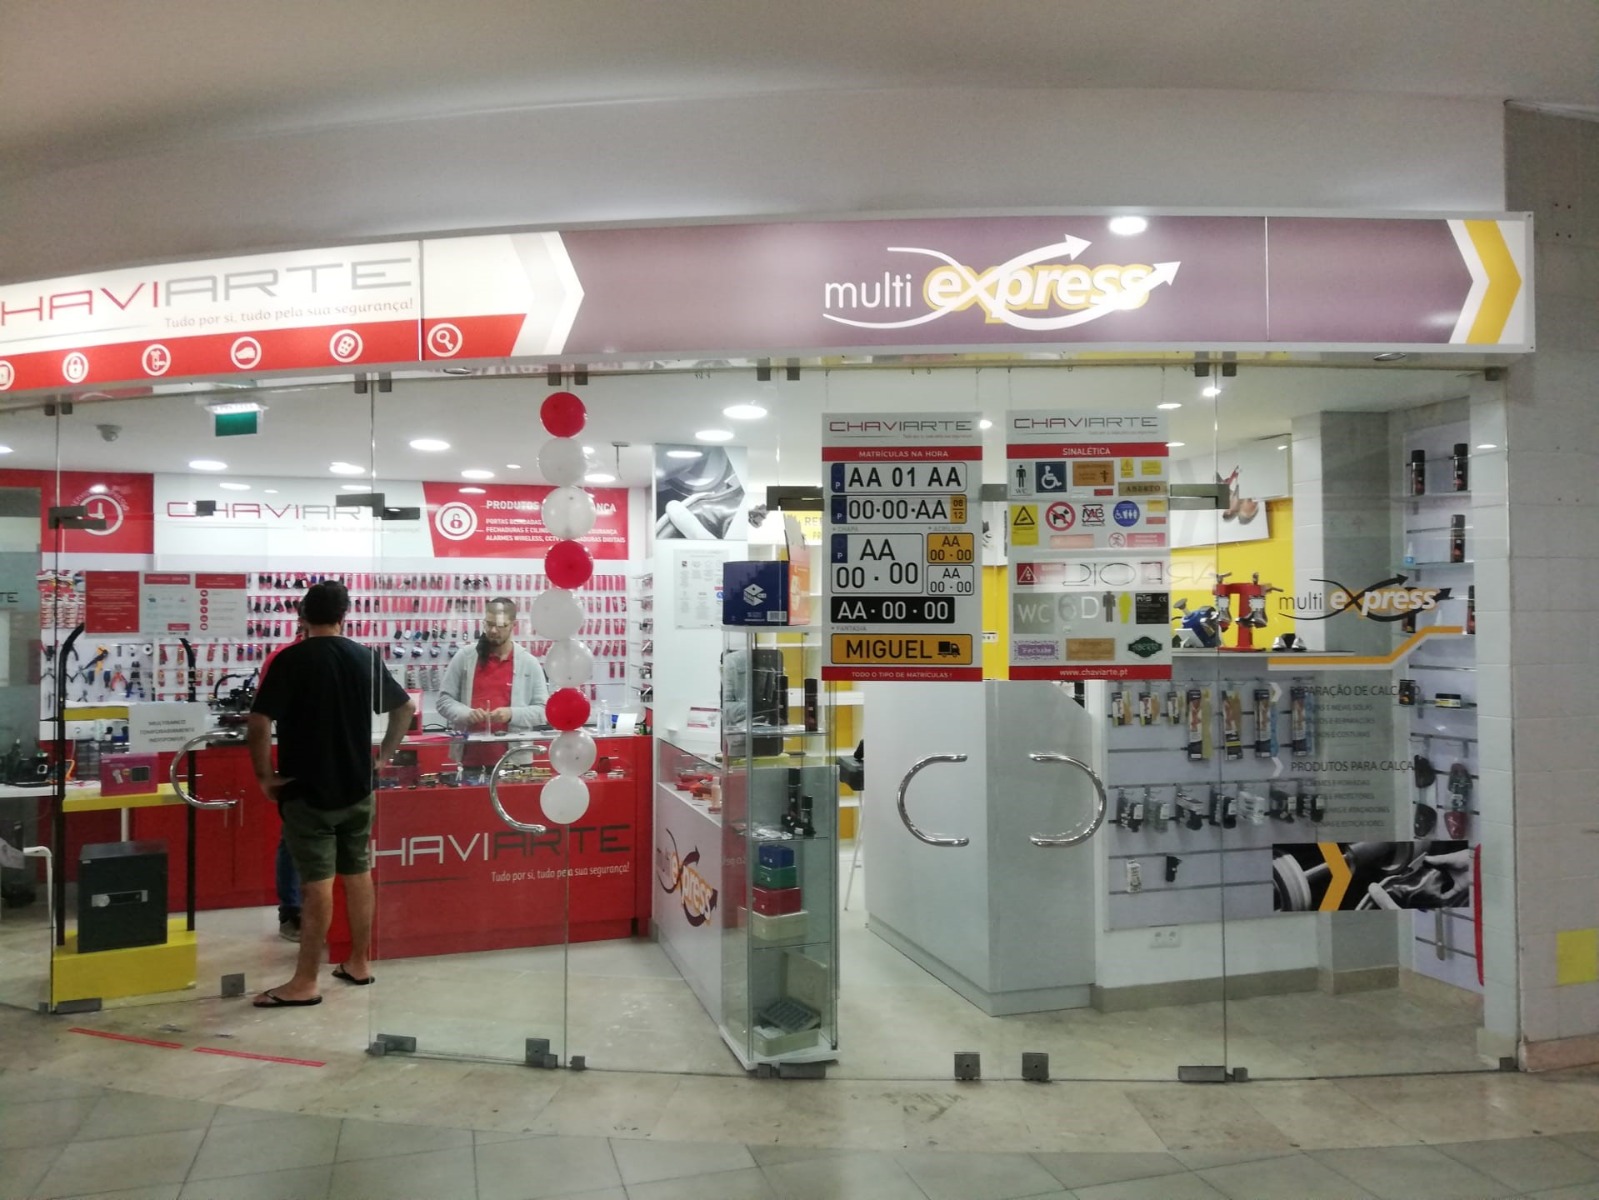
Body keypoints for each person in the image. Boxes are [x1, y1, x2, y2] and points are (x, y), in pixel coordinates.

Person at [247, 581, 414, 1008]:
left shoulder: (290, 660)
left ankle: (305, 982)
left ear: (302, 616)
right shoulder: (364, 657)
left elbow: (259, 723)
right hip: (357, 788)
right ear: (344, 615)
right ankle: (358, 961)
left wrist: (265, 777)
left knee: (316, 884)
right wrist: (383, 758)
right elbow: (405, 708)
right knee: (358, 873)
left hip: (309, 790)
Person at [436, 597, 550, 772]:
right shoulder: (465, 657)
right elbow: (444, 701)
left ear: (513, 625)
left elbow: (543, 711)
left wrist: (511, 714)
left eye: (501, 625)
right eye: (488, 624)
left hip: (517, 761)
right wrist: (467, 714)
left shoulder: (529, 663)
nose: (493, 630)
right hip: (471, 760)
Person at [258, 617, 307, 943]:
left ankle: (313, 913)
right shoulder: (282, 659)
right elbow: (261, 717)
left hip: (332, 766)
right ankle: (292, 911)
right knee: (292, 839)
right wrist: (265, 774)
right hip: (296, 764)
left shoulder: (344, 654)